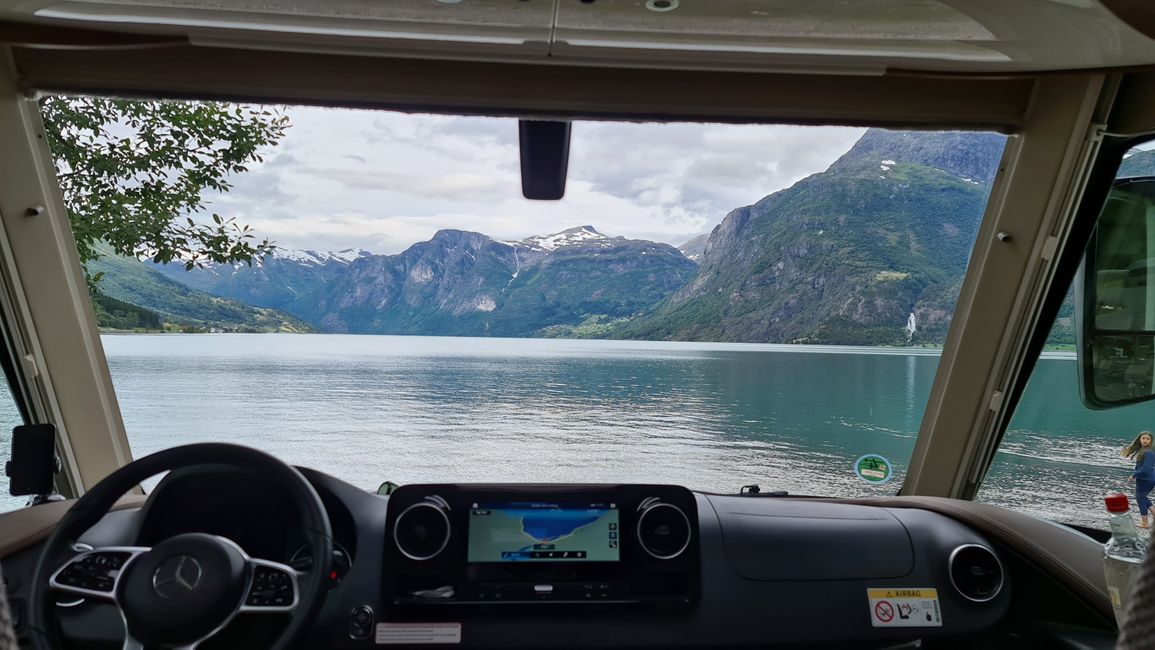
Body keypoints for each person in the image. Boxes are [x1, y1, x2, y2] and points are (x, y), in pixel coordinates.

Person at [1124, 431, 1155, 528]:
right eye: (1143, 438)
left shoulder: (1149, 452)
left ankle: (1145, 523)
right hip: (1145, 478)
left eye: (1147, 439)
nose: (1145, 440)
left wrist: (1134, 475)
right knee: (1142, 497)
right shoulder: (1143, 450)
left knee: (1140, 498)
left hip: (1147, 479)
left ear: (1151, 441)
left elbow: (1146, 468)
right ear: (1140, 439)